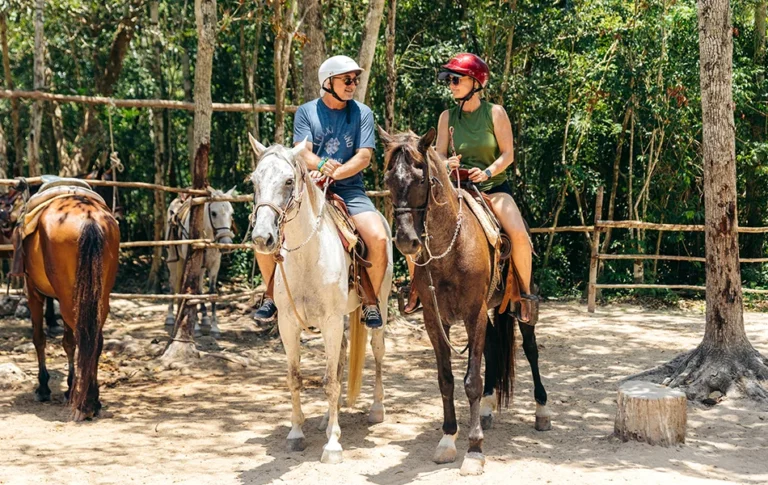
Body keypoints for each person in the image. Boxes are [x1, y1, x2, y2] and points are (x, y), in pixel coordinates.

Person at [252, 55, 389, 328]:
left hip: (350, 191)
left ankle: (370, 301)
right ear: (328, 82)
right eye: (347, 80)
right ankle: (270, 294)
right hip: (309, 191)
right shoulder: (307, 112)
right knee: (262, 234)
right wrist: (324, 165)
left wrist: (336, 173)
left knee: (378, 237)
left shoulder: (363, 113)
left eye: (355, 80)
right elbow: (302, 151)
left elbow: (364, 157)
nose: (353, 85)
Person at [405, 53, 534, 322]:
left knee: (519, 235)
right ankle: (415, 288)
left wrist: (487, 171)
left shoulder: (495, 113)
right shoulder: (445, 117)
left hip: (492, 188)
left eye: (455, 79)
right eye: (449, 80)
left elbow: (508, 154)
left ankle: (522, 293)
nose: (450, 85)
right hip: (454, 189)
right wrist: (445, 162)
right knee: (414, 228)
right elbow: (438, 153)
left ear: (475, 82)